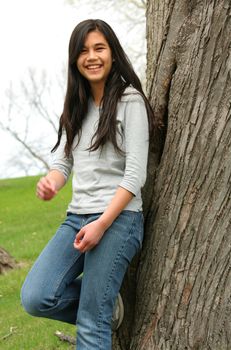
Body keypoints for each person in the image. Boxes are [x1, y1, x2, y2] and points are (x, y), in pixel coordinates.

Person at [21, 19, 155, 350]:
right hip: (77, 218)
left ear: (112, 54)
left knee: (91, 323)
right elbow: (62, 162)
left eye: (99, 48)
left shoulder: (130, 101)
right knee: (36, 297)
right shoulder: (75, 105)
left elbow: (135, 174)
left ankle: (99, 306)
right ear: (75, 59)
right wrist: (52, 182)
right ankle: (105, 303)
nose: (91, 57)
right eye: (83, 50)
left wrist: (102, 224)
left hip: (118, 219)